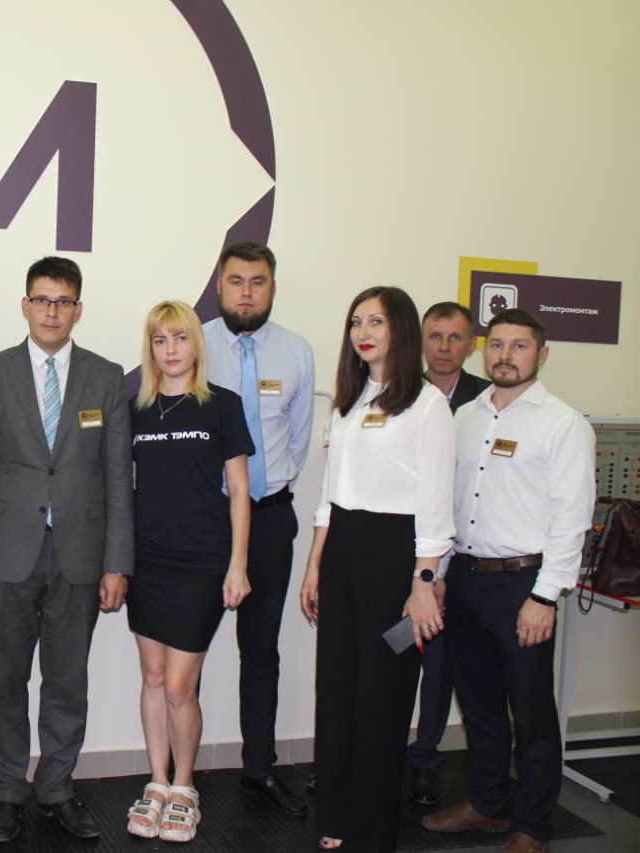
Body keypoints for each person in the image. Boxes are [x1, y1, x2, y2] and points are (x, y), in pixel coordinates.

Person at [0, 256, 133, 844]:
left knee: (67, 682)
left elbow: (118, 477)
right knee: (5, 682)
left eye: (62, 302)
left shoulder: (106, 376)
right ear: (25, 305)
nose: (51, 311)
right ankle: (8, 792)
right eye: (41, 300)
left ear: (78, 309)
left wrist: (117, 562)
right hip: (3, 553)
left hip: (80, 555)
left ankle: (56, 788)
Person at [422, 309, 595, 853]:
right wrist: (440, 575)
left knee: (532, 712)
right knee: (479, 706)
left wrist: (546, 596)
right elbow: (447, 503)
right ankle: (488, 803)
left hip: (524, 586)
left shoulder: (563, 424)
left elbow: (572, 518)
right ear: (484, 350)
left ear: (542, 355)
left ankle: (533, 826)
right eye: (497, 345)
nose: (505, 355)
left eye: (519, 346)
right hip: (465, 580)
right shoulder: (463, 417)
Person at [299, 286, 455, 852]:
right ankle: (337, 818)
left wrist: (424, 584)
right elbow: (329, 495)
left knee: (382, 697)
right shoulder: (350, 400)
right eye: (356, 322)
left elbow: (436, 505)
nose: (363, 333)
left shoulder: (428, 405)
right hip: (342, 551)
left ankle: (371, 832)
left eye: (376, 322)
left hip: (397, 561)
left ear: (401, 330)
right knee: (338, 686)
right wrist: (314, 565)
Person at [124, 301, 253, 843]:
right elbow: (126, 487)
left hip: (202, 562)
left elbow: (240, 490)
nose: (170, 349)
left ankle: (185, 786)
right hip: (146, 560)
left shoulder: (222, 406)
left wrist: (238, 565)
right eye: (160, 340)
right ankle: (157, 782)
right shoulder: (135, 410)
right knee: (153, 678)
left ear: (195, 344)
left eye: (179, 338)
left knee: (180, 685)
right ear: (150, 349)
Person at [201, 241, 314, 816]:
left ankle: (259, 769)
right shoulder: (192, 344)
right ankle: (176, 774)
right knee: (186, 650)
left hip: (269, 518)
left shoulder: (297, 352)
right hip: (206, 522)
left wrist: (266, 490)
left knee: (261, 650)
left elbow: (298, 437)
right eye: (236, 281)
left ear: (272, 287)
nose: (246, 292)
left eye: (258, 281)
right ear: (219, 284)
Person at [406, 301, 492, 806]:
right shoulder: (399, 391)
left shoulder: (487, 402)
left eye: (455, 337)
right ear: (421, 341)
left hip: (457, 560)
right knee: (393, 652)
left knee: (438, 667)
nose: (444, 347)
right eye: (435, 337)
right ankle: (372, 753)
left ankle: (424, 759)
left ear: (471, 345)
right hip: (401, 553)